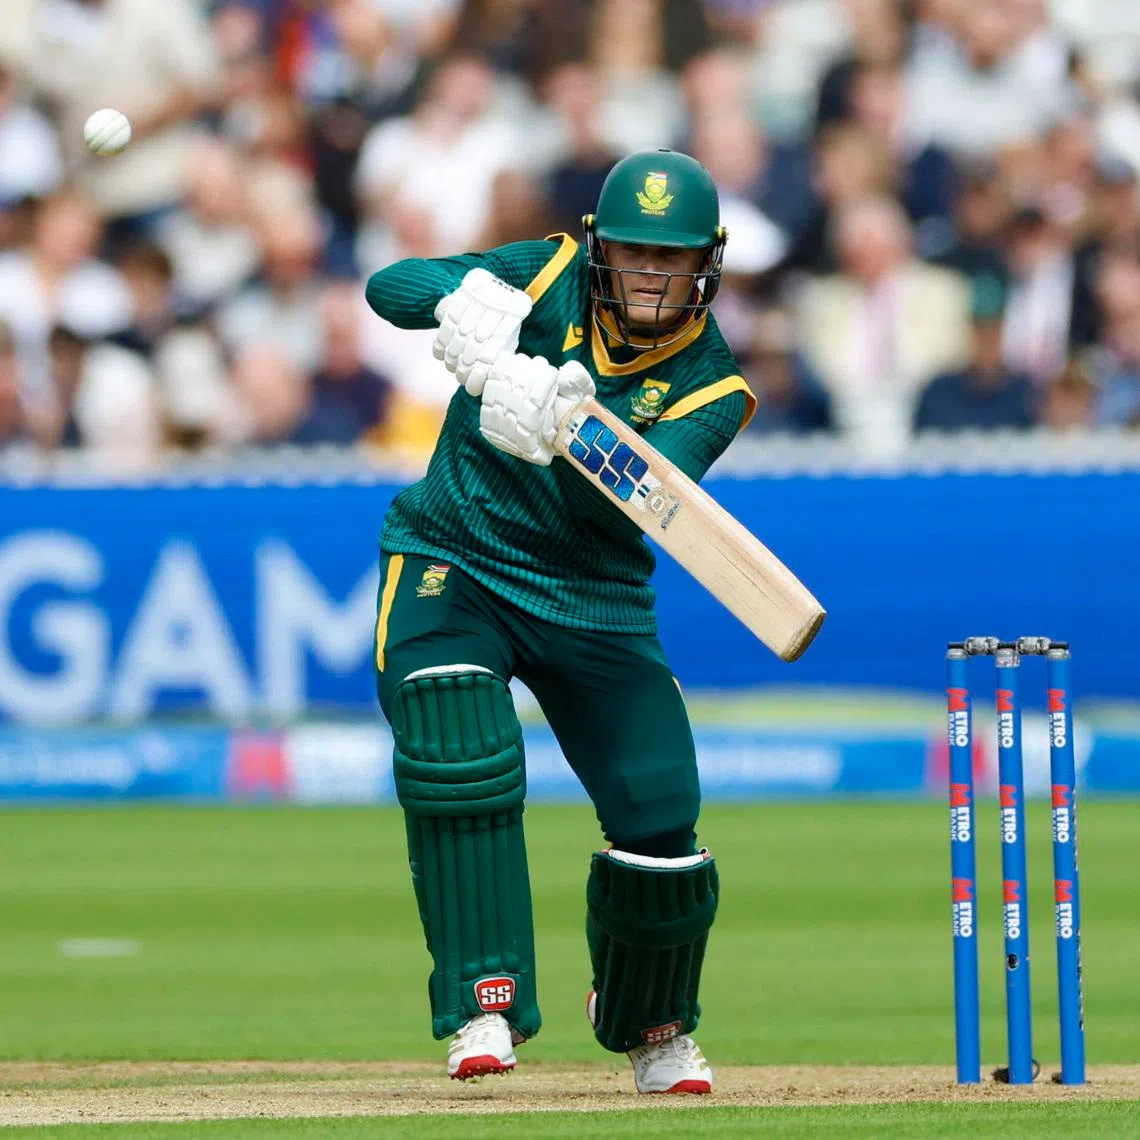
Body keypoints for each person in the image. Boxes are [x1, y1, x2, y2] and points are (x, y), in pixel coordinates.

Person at [364, 149, 755, 1094]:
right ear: (597, 248)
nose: (651, 278)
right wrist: (468, 314)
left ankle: (651, 1023)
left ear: (708, 264)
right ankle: (479, 1004)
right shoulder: (543, 272)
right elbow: (388, 288)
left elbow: (620, 511)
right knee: (455, 729)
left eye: (671, 260)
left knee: (662, 818)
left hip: (593, 596)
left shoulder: (714, 389)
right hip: (454, 557)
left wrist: (556, 425)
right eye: (632, 254)